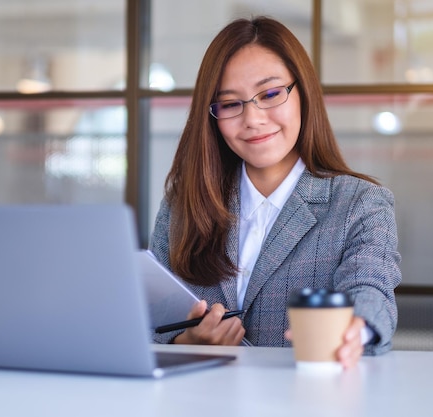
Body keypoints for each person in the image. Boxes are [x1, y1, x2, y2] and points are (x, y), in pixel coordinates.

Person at [148, 16, 401, 368]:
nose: (252, 119)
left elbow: (372, 289)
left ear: (303, 93)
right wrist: (186, 341)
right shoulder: (183, 204)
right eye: (231, 104)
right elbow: (147, 320)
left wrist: (354, 330)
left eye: (269, 94)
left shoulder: (360, 203)